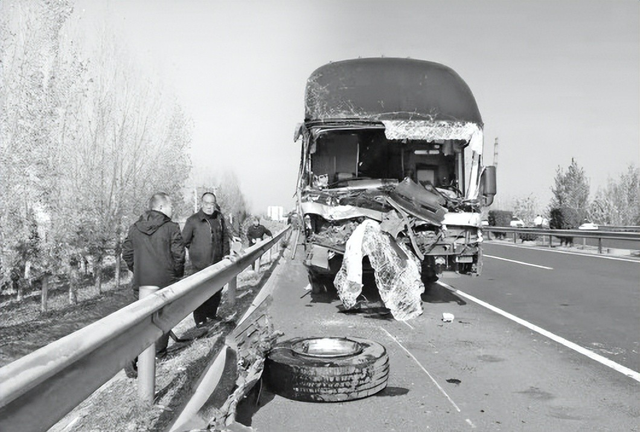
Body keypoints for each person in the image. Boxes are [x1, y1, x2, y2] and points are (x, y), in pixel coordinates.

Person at [122, 192, 185, 376]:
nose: (172, 210)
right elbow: (179, 255)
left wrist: (138, 270)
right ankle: (159, 353)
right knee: (162, 319)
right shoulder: (171, 228)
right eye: (170, 206)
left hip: (141, 284)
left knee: (142, 321)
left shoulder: (135, 227)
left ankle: (133, 357)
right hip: (165, 283)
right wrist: (176, 275)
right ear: (160, 207)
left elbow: (126, 253)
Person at [182, 192, 231, 327]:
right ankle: (200, 320)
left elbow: (225, 238)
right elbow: (184, 241)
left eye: (212, 203)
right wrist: (196, 253)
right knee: (199, 293)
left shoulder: (219, 218)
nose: (209, 207)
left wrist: (225, 253)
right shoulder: (193, 220)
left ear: (215, 204)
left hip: (217, 262)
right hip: (199, 265)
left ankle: (212, 313)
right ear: (202, 203)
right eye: (207, 203)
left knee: (217, 290)